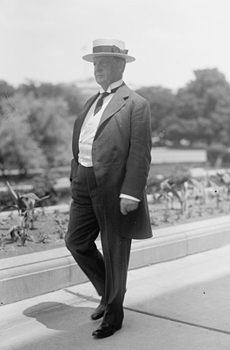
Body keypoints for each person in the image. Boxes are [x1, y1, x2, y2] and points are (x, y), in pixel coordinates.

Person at [65, 38, 152, 339]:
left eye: (103, 63)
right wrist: (75, 174)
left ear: (119, 66)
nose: (97, 68)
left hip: (115, 189)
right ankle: (108, 293)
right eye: (94, 64)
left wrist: (130, 192)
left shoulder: (136, 105)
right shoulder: (91, 102)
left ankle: (114, 315)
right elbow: (82, 141)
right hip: (83, 182)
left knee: (115, 252)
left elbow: (140, 152)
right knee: (76, 241)